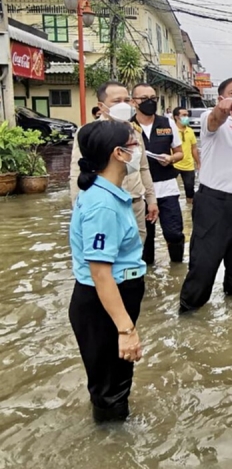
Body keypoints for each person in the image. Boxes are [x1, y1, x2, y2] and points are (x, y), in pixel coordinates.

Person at [69, 120, 146, 423]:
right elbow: (100, 273)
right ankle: (112, 437)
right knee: (110, 387)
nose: (138, 151)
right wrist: (126, 331)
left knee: (116, 378)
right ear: (118, 153)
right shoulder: (103, 205)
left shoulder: (108, 194)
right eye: (133, 144)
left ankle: (114, 432)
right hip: (103, 302)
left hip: (113, 298)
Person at [179, 78, 232, 313]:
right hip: (214, 204)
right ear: (221, 98)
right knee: (204, 265)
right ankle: (189, 312)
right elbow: (215, 119)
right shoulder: (211, 120)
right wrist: (222, 109)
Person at [70, 81, 158, 245]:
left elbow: (143, 168)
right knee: (105, 250)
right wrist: (77, 206)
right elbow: (77, 170)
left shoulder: (134, 131)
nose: (123, 105)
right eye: (117, 101)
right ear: (101, 106)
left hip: (135, 202)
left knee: (135, 250)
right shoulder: (89, 133)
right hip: (105, 206)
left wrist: (151, 200)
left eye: (127, 100)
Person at [131, 84, 185, 264]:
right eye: (144, 98)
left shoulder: (167, 123)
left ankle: (177, 269)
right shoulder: (127, 126)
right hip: (140, 190)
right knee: (145, 237)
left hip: (167, 187)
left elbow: (180, 153)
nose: (149, 102)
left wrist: (170, 158)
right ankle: (147, 271)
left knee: (174, 233)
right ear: (134, 102)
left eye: (153, 98)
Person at [172, 107, 200, 205]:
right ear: (176, 117)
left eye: (187, 115)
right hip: (174, 165)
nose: (186, 117)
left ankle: (189, 209)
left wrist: (198, 163)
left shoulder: (190, 131)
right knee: (171, 190)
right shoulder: (171, 130)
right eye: (184, 115)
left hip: (188, 165)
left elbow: (194, 148)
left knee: (190, 191)